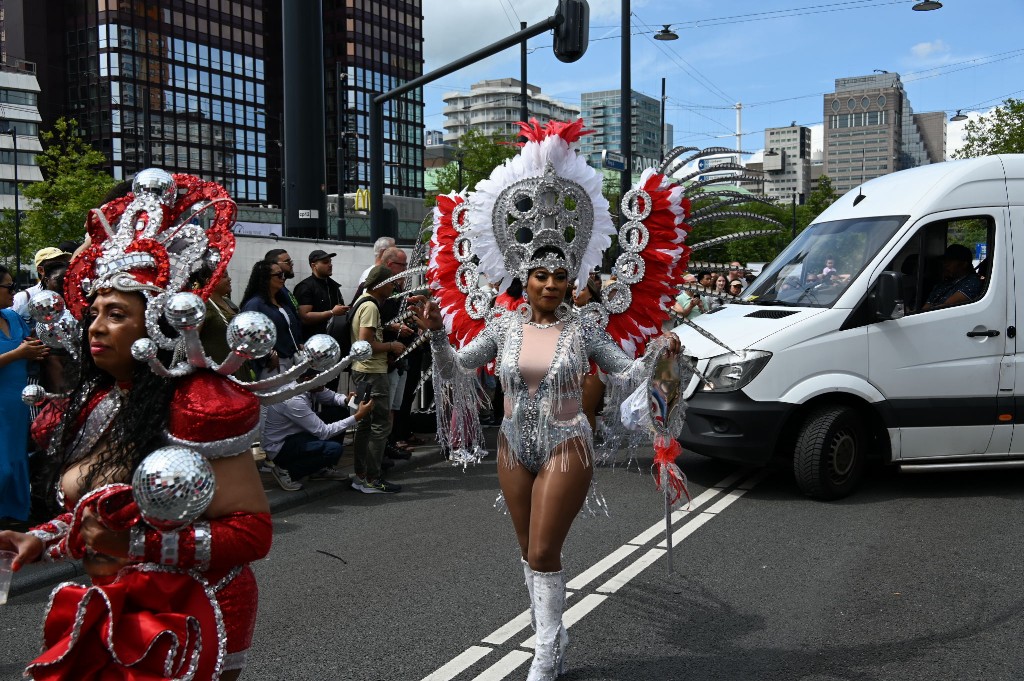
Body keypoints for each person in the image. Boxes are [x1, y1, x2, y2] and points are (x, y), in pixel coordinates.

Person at [421, 120, 684, 681]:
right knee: (528, 551)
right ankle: (549, 627)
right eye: (540, 274)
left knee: (544, 550)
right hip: (513, 444)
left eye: (559, 275)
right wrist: (439, 337)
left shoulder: (587, 326)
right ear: (524, 275)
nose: (550, 284)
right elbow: (458, 370)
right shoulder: (502, 325)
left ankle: (546, 650)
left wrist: (664, 356)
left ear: (571, 278)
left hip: (568, 442)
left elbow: (626, 371)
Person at [0, 170, 272, 679]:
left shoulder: (196, 407)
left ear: (156, 326)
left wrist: (137, 547)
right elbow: (101, 517)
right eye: (95, 312)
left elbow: (252, 534)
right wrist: (40, 538)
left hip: (194, 608)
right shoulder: (96, 404)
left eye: (117, 314)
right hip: (113, 599)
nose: (97, 327)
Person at [261, 370, 372, 491]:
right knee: (334, 450)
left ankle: (319, 469)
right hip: (281, 447)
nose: (326, 381)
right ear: (308, 379)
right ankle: (286, 471)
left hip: (297, 435)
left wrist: (347, 400)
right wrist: (358, 416)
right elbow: (324, 432)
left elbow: (333, 397)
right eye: (322, 379)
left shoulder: (310, 386)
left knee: (339, 412)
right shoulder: (293, 400)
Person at [350, 264, 405, 494]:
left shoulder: (361, 300)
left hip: (361, 369)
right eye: (391, 283)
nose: (393, 287)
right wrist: (392, 345)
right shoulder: (371, 306)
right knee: (380, 424)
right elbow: (366, 343)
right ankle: (373, 478)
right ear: (380, 284)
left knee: (364, 423)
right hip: (372, 370)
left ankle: (360, 475)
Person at [0, 264, 48, 527]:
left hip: (17, 402)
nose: (14, 291)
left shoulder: (13, 316)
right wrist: (19, 354)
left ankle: (14, 515)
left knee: (18, 457)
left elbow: (31, 344)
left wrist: (35, 349)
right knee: (3, 464)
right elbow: (20, 352)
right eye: (8, 286)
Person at [240, 260, 303, 378]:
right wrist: (267, 354)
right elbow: (246, 334)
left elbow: (292, 326)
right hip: (271, 365)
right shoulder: (255, 304)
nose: (283, 278)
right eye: (279, 275)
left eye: (283, 275)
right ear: (265, 278)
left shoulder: (282, 301)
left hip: (290, 360)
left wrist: (298, 343)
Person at [293, 249, 349, 339]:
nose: (330, 265)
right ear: (313, 265)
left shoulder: (333, 286)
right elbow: (304, 317)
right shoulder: (305, 287)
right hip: (314, 342)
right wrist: (332, 312)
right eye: (325, 262)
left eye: (330, 262)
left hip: (333, 339)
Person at [13, 247, 71, 319]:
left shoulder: (74, 296)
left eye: (64, 263)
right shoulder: (24, 298)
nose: (63, 268)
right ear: (41, 270)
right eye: (56, 265)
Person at [922, 243, 982, 311]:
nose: (945, 265)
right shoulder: (943, 284)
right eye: (945, 261)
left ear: (963, 264)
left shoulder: (972, 282)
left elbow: (944, 308)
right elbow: (926, 308)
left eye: (950, 261)